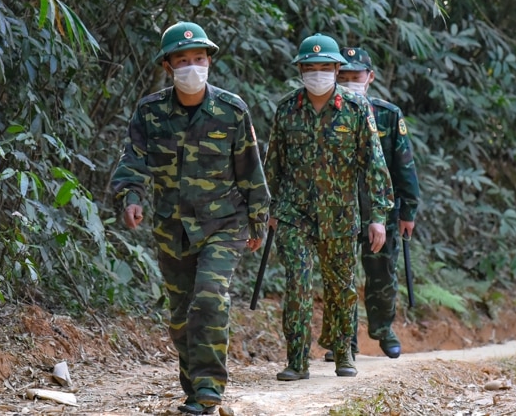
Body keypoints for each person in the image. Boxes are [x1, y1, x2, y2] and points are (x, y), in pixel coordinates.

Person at [111, 21, 270, 415]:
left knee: (209, 298)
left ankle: (209, 390)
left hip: (224, 223)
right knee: (182, 316)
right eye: (182, 60)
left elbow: (251, 169)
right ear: (168, 66)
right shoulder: (151, 112)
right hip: (173, 227)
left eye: (199, 58)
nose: (192, 66)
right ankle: (194, 387)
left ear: (209, 62)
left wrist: (258, 219)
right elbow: (132, 161)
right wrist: (131, 196)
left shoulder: (231, 110)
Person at [263, 33, 394, 381]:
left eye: (324, 67)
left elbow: (374, 165)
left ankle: (342, 352)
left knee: (341, 288)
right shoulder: (287, 109)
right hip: (295, 214)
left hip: (339, 215)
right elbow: (272, 164)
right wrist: (266, 211)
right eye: (310, 67)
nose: (317, 73)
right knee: (298, 283)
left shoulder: (356, 109)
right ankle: (296, 360)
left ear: (337, 69)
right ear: (300, 70)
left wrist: (378, 217)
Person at [323, 46, 421, 361]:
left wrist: (408, 210)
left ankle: (382, 331)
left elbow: (404, 165)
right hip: (340, 208)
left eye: (357, 76)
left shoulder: (388, 115)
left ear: (370, 78)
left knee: (381, 274)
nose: (351, 82)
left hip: (382, 209)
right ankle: (344, 340)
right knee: (341, 275)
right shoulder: (326, 112)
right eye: (345, 76)